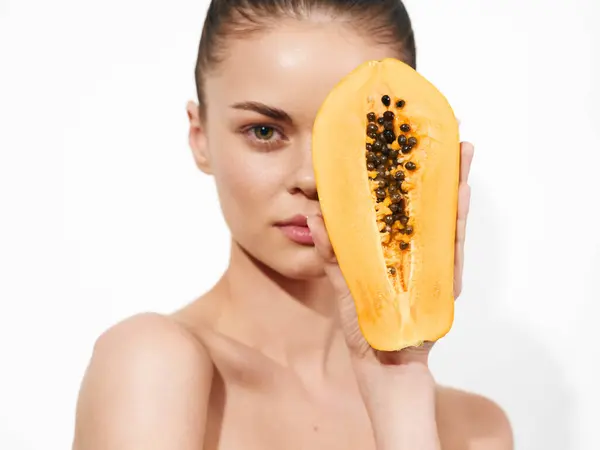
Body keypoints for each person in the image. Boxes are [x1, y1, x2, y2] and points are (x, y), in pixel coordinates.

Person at [72, 1, 513, 448]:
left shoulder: (474, 432)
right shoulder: (151, 365)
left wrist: (398, 390)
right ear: (199, 138)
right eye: (264, 132)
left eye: (362, 135)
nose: (311, 178)